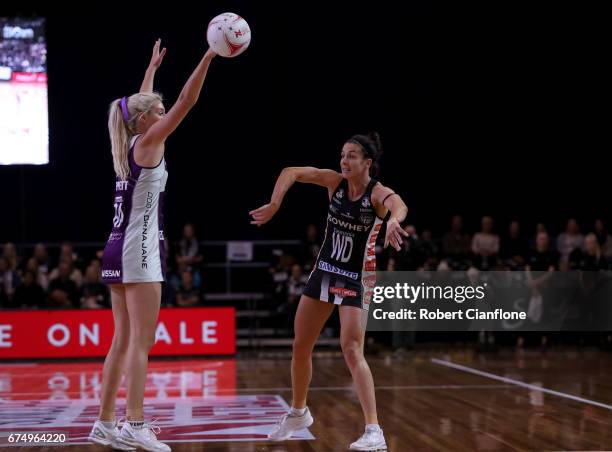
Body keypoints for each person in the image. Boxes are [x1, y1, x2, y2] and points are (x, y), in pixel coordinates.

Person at [89, 39, 216, 451]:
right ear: (145, 120)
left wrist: (150, 70)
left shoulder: (128, 142)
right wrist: (210, 54)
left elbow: (144, 106)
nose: (165, 116)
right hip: (138, 250)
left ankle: (105, 422)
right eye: (157, 113)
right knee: (142, 342)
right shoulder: (147, 142)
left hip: (116, 247)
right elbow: (185, 100)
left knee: (122, 340)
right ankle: (135, 424)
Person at [250, 132, 408, 451]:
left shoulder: (377, 193)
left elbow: (398, 203)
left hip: (356, 277)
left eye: (351, 155)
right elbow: (290, 172)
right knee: (300, 346)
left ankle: (374, 430)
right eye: (342, 154)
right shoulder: (334, 183)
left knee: (351, 348)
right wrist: (276, 203)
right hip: (325, 271)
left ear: (367, 163)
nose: (344, 160)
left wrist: (394, 221)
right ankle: (298, 412)